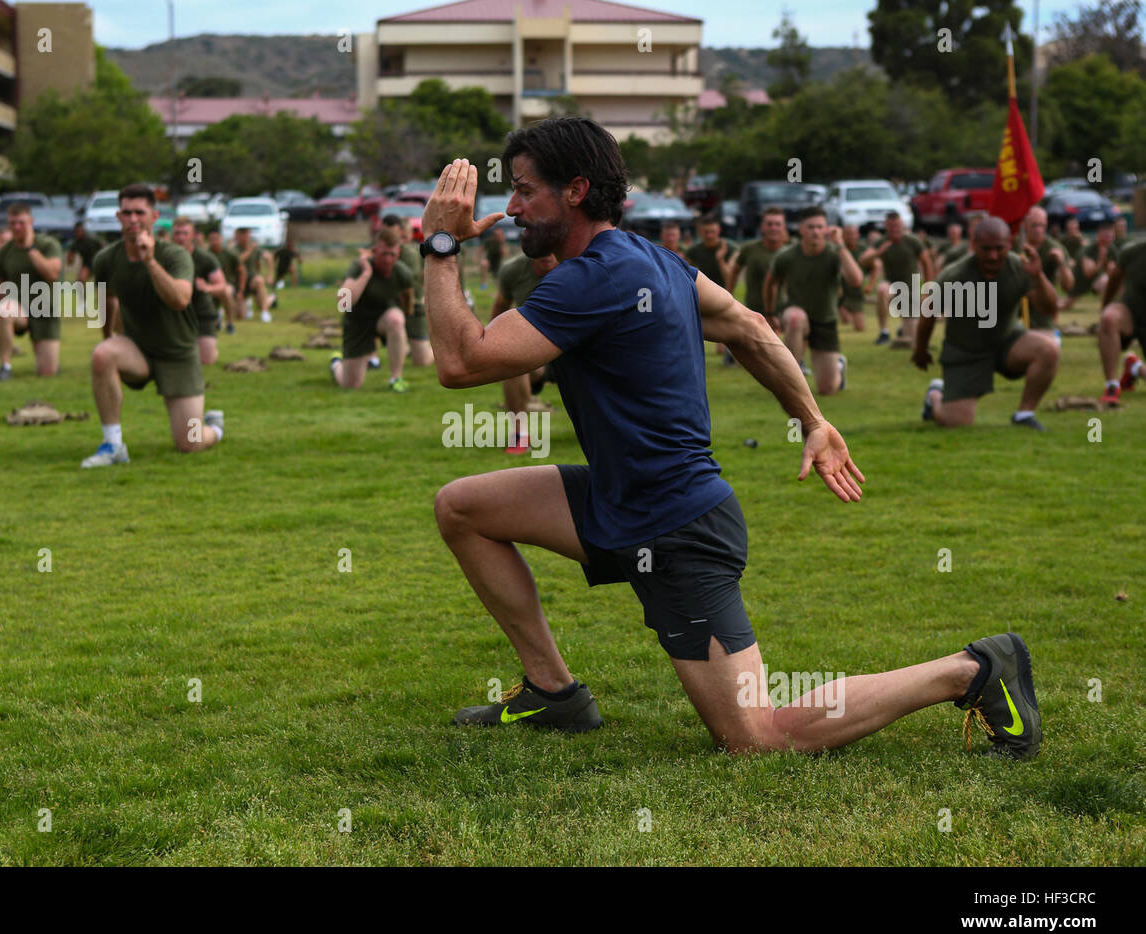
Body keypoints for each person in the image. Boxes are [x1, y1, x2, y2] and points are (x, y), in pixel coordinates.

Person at [424, 118, 1040, 761]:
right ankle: (554, 693)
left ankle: (972, 670)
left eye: (524, 191)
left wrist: (440, 244)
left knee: (756, 737)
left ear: (576, 190)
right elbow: (749, 326)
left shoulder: (593, 279)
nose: (512, 207)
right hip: (618, 499)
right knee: (463, 507)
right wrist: (813, 420)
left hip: (675, 526)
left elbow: (460, 363)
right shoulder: (654, 262)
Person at [82, 184, 223, 467]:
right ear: (118, 216)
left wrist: (149, 261)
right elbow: (106, 300)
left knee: (189, 443)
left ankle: (215, 427)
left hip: (178, 353)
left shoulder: (174, 256)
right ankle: (113, 446)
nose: (133, 219)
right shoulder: (106, 259)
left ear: (154, 216)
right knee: (102, 354)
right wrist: (108, 337)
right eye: (127, 212)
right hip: (138, 349)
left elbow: (181, 299)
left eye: (140, 212)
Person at [912, 216, 1060, 430]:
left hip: (1007, 342)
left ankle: (1024, 414)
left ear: (1009, 244)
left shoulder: (1020, 267)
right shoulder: (953, 276)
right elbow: (928, 315)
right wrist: (921, 350)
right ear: (974, 245)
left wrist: (1038, 277)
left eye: (999, 248)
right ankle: (935, 395)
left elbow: (1049, 308)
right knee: (957, 422)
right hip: (965, 352)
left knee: (1049, 350)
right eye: (986, 249)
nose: (993, 256)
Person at [765, 209, 861, 394]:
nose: (815, 232)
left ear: (826, 230)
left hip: (825, 320)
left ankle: (838, 366)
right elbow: (770, 283)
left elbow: (856, 280)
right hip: (796, 315)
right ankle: (793, 378)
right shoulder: (787, 256)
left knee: (827, 389)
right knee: (795, 317)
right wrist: (770, 313)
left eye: (819, 227)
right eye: (810, 227)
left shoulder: (835, 254)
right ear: (801, 230)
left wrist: (840, 244)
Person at [489, 251, 558, 453]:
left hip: (580, 354)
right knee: (511, 361)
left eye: (552, 246)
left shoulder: (578, 265)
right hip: (539, 353)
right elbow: (500, 306)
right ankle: (520, 435)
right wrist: (492, 344)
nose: (547, 252)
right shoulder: (514, 270)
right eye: (541, 247)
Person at [329, 230, 413, 392]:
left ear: (399, 253)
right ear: (375, 251)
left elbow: (407, 297)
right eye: (383, 254)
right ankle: (336, 364)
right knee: (351, 384)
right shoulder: (359, 267)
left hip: (384, 319)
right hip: (357, 323)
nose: (388, 260)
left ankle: (396, 378)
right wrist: (366, 273)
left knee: (396, 319)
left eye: (392, 255)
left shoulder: (402, 272)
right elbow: (344, 303)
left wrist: (407, 318)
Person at [0, 203, 64, 379]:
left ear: (31, 221)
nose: (16, 227)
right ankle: (5, 366)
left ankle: (49, 358)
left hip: (45, 310)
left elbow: (52, 274)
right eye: (12, 223)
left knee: (46, 372)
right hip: (18, 310)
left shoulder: (47, 245)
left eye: (21, 223)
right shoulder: (4, 253)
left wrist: (30, 249)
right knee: (4, 308)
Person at [861, 212, 934, 345]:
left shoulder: (913, 241)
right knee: (882, 289)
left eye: (897, 225)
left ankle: (903, 329)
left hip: (909, 290)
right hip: (891, 286)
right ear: (886, 227)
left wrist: (927, 290)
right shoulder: (881, 242)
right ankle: (884, 332)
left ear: (902, 226)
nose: (894, 229)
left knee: (911, 339)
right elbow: (863, 260)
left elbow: (927, 263)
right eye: (891, 226)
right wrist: (878, 252)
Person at [1096, 237, 1146, 406]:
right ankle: (1112, 385)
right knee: (1109, 318)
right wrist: (1105, 307)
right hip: (1131, 313)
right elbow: (1114, 279)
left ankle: (1135, 367)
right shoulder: (1132, 252)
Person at [171, 217, 226, 367]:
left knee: (206, 360)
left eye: (185, 233)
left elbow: (222, 286)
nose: (181, 237)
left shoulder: (205, 258)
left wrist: (208, 288)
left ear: (193, 235)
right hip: (172, 314)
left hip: (201, 314)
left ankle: (208, 346)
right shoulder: (164, 257)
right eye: (177, 233)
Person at [727, 207, 791, 333]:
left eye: (777, 224)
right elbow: (734, 272)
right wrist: (728, 297)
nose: (773, 228)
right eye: (769, 224)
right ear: (762, 227)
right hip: (753, 311)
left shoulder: (790, 252)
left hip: (783, 311)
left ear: (783, 227)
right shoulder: (750, 249)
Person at [383, 215, 434, 368]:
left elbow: (411, 282)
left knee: (422, 362)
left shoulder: (410, 253)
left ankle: (441, 349)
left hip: (414, 305)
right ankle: (371, 358)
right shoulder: (378, 250)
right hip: (390, 304)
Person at [1015, 205, 1074, 336]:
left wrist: (1062, 264)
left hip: (1042, 308)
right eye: (1034, 225)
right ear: (1024, 225)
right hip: (1015, 306)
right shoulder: (1015, 245)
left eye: (1041, 225)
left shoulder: (1054, 247)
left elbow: (1068, 286)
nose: (1038, 230)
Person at [233, 228, 273, 322]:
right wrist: (250, 249)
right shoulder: (233, 249)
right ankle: (253, 301)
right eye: (241, 234)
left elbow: (269, 257)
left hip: (252, 280)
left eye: (246, 234)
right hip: (238, 283)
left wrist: (270, 274)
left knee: (259, 280)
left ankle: (264, 312)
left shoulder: (256, 249)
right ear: (237, 236)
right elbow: (239, 260)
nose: (244, 237)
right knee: (240, 316)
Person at [207, 228, 241, 333]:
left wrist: (241, 290)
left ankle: (230, 323)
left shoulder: (230, 254)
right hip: (210, 286)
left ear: (221, 239)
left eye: (216, 239)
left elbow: (241, 271)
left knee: (227, 293)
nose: (214, 241)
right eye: (211, 239)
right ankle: (215, 319)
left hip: (227, 284)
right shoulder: (206, 254)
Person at [837, 223, 869, 332]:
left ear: (857, 235)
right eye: (847, 234)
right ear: (842, 236)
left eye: (852, 234)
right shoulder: (836, 249)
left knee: (859, 328)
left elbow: (876, 267)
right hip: (841, 293)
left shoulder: (863, 249)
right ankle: (841, 308)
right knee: (845, 321)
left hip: (856, 293)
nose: (850, 236)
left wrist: (871, 285)